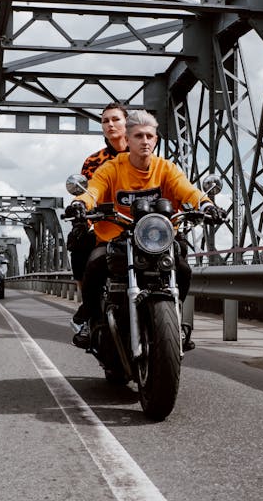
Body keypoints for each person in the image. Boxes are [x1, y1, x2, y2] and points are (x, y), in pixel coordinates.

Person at [66, 109, 219, 350]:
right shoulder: (111, 168)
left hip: (156, 238)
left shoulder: (166, 168)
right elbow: (93, 190)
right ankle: (91, 321)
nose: (145, 141)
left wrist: (206, 204)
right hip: (117, 237)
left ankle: (174, 323)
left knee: (183, 269)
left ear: (156, 139)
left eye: (150, 136)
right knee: (95, 264)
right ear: (128, 139)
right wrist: (80, 203)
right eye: (138, 136)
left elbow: (187, 190)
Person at [68, 102, 128, 298]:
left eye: (116, 119)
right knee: (78, 240)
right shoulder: (93, 161)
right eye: (105, 121)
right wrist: (82, 219)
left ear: (128, 123)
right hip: (106, 222)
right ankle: (86, 306)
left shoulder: (143, 155)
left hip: (139, 222)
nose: (110, 124)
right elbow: (89, 192)